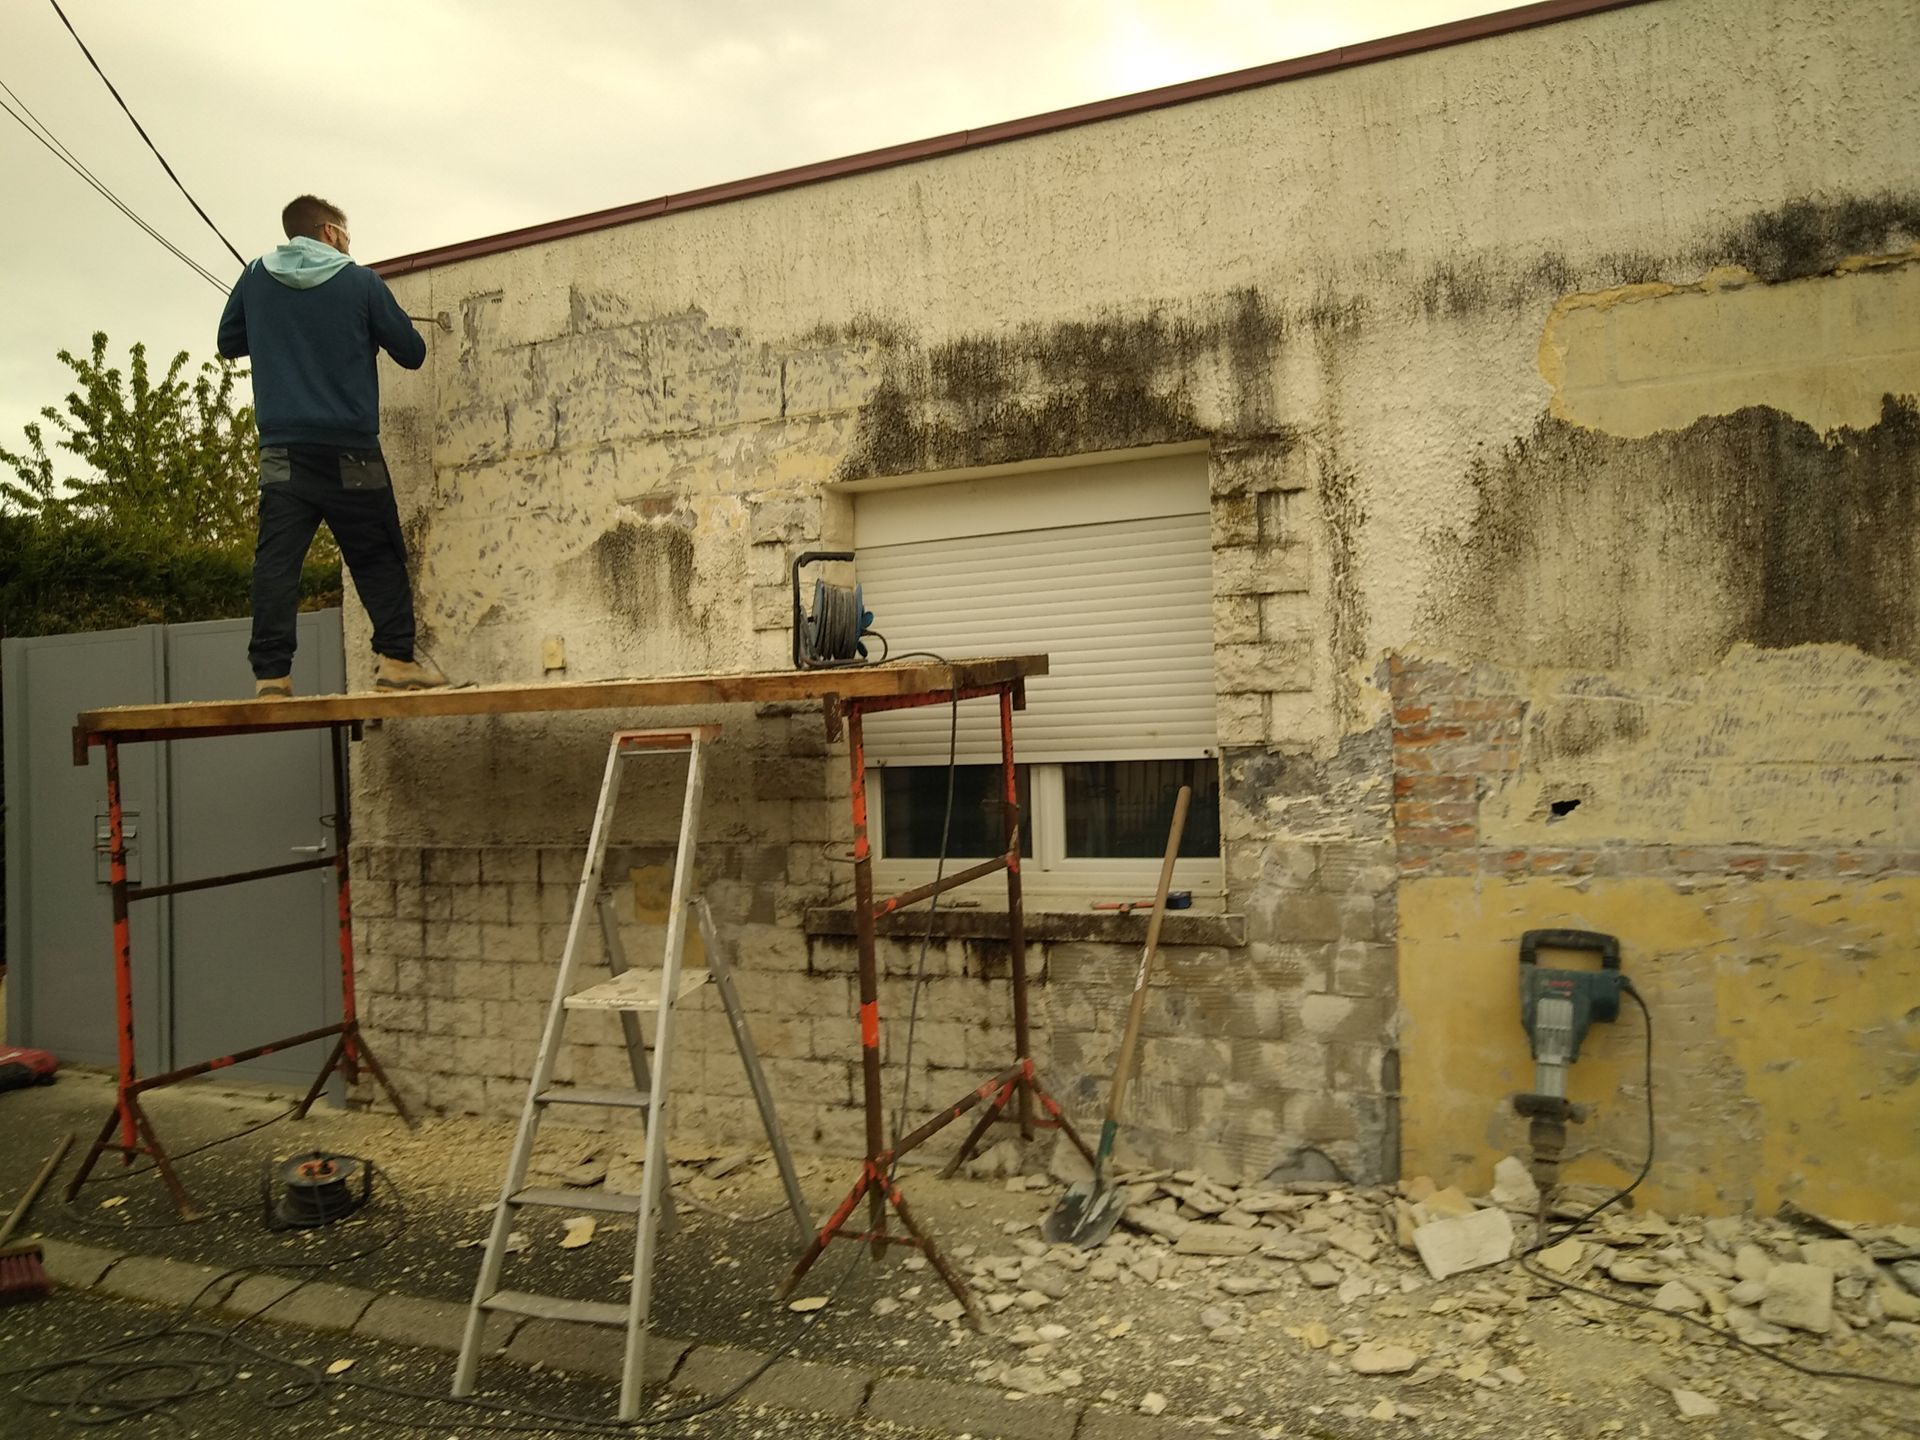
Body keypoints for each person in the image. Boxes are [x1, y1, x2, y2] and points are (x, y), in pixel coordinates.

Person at [218, 195, 448, 696]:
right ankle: (395, 661)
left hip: (283, 453)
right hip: (352, 453)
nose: (349, 243)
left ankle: (272, 675)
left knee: (277, 561)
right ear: (328, 231)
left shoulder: (256, 274)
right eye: (346, 234)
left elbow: (228, 342)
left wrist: (277, 328)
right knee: (377, 555)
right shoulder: (360, 281)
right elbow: (412, 353)